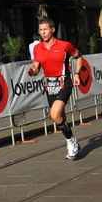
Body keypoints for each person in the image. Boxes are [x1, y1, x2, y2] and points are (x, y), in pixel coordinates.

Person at [27, 17, 82, 159]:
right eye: (40, 30)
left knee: (54, 114)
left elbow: (79, 56)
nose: (43, 33)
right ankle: (72, 141)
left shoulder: (64, 45)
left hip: (65, 82)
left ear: (53, 29)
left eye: (45, 29)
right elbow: (36, 67)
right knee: (59, 118)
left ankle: (71, 141)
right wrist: (33, 71)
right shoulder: (37, 48)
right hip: (49, 85)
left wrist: (76, 74)